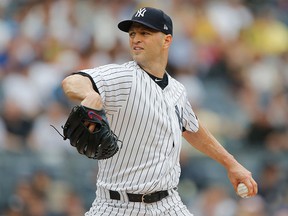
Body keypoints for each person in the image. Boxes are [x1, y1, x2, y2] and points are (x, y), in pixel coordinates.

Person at [61, 7, 258, 216]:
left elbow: (192, 129)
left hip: (168, 204)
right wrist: (90, 95)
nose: (136, 39)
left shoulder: (177, 90)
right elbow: (72, 81)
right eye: (132, 34)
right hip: (117, 205)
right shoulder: (124, 77)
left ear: (166, 40)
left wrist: (232, 164)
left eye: (145, 33)